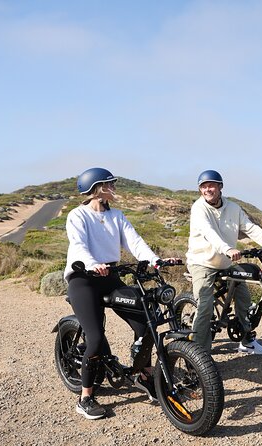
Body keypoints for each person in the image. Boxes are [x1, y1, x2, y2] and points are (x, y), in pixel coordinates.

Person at [64, 167, 178, 420]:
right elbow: (78, 244)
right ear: (96, 189)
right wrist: (93, 263)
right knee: (94, 339)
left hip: (110, 277)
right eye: (109, 184)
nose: (114, 187)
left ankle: (144, 374)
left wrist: (155, 260)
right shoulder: (78, 215)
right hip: (83, 278)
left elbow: (134, 242)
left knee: (147, 320)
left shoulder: (116, 215)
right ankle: (85, 397)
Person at [186, 169, 262, 355]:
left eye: (211, 185)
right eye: (203, 186)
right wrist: (227, 249)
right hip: (202, 262)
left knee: (244, 298)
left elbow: (251, 228)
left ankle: (247, 341)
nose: (207, 189)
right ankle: (199, 356)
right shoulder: (198, 208)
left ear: (220, 187)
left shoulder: (233, 208)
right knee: (205, 306)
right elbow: (208, 232)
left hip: (225, 263)